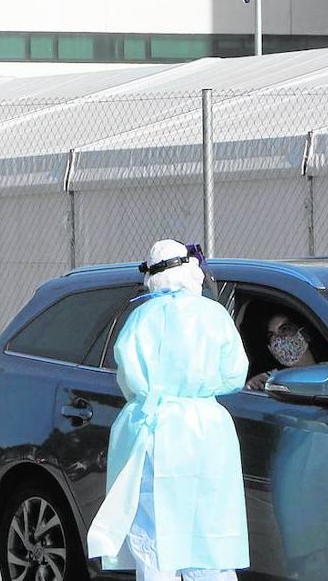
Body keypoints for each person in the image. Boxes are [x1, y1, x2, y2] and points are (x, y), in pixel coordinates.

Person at [87, 239, 250, 581]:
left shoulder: (140, 318)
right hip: (206, 428)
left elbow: (128, 378)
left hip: (152, 428)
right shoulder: (214, 315)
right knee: (209, 530)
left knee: (153, 532)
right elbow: (235, 373)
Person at [245, 314, 317, 391]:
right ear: (270, 349)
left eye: (285, 329)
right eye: (271, 335)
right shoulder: (272, 380)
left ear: (304, 334)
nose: (278, 339)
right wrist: (251, 386)